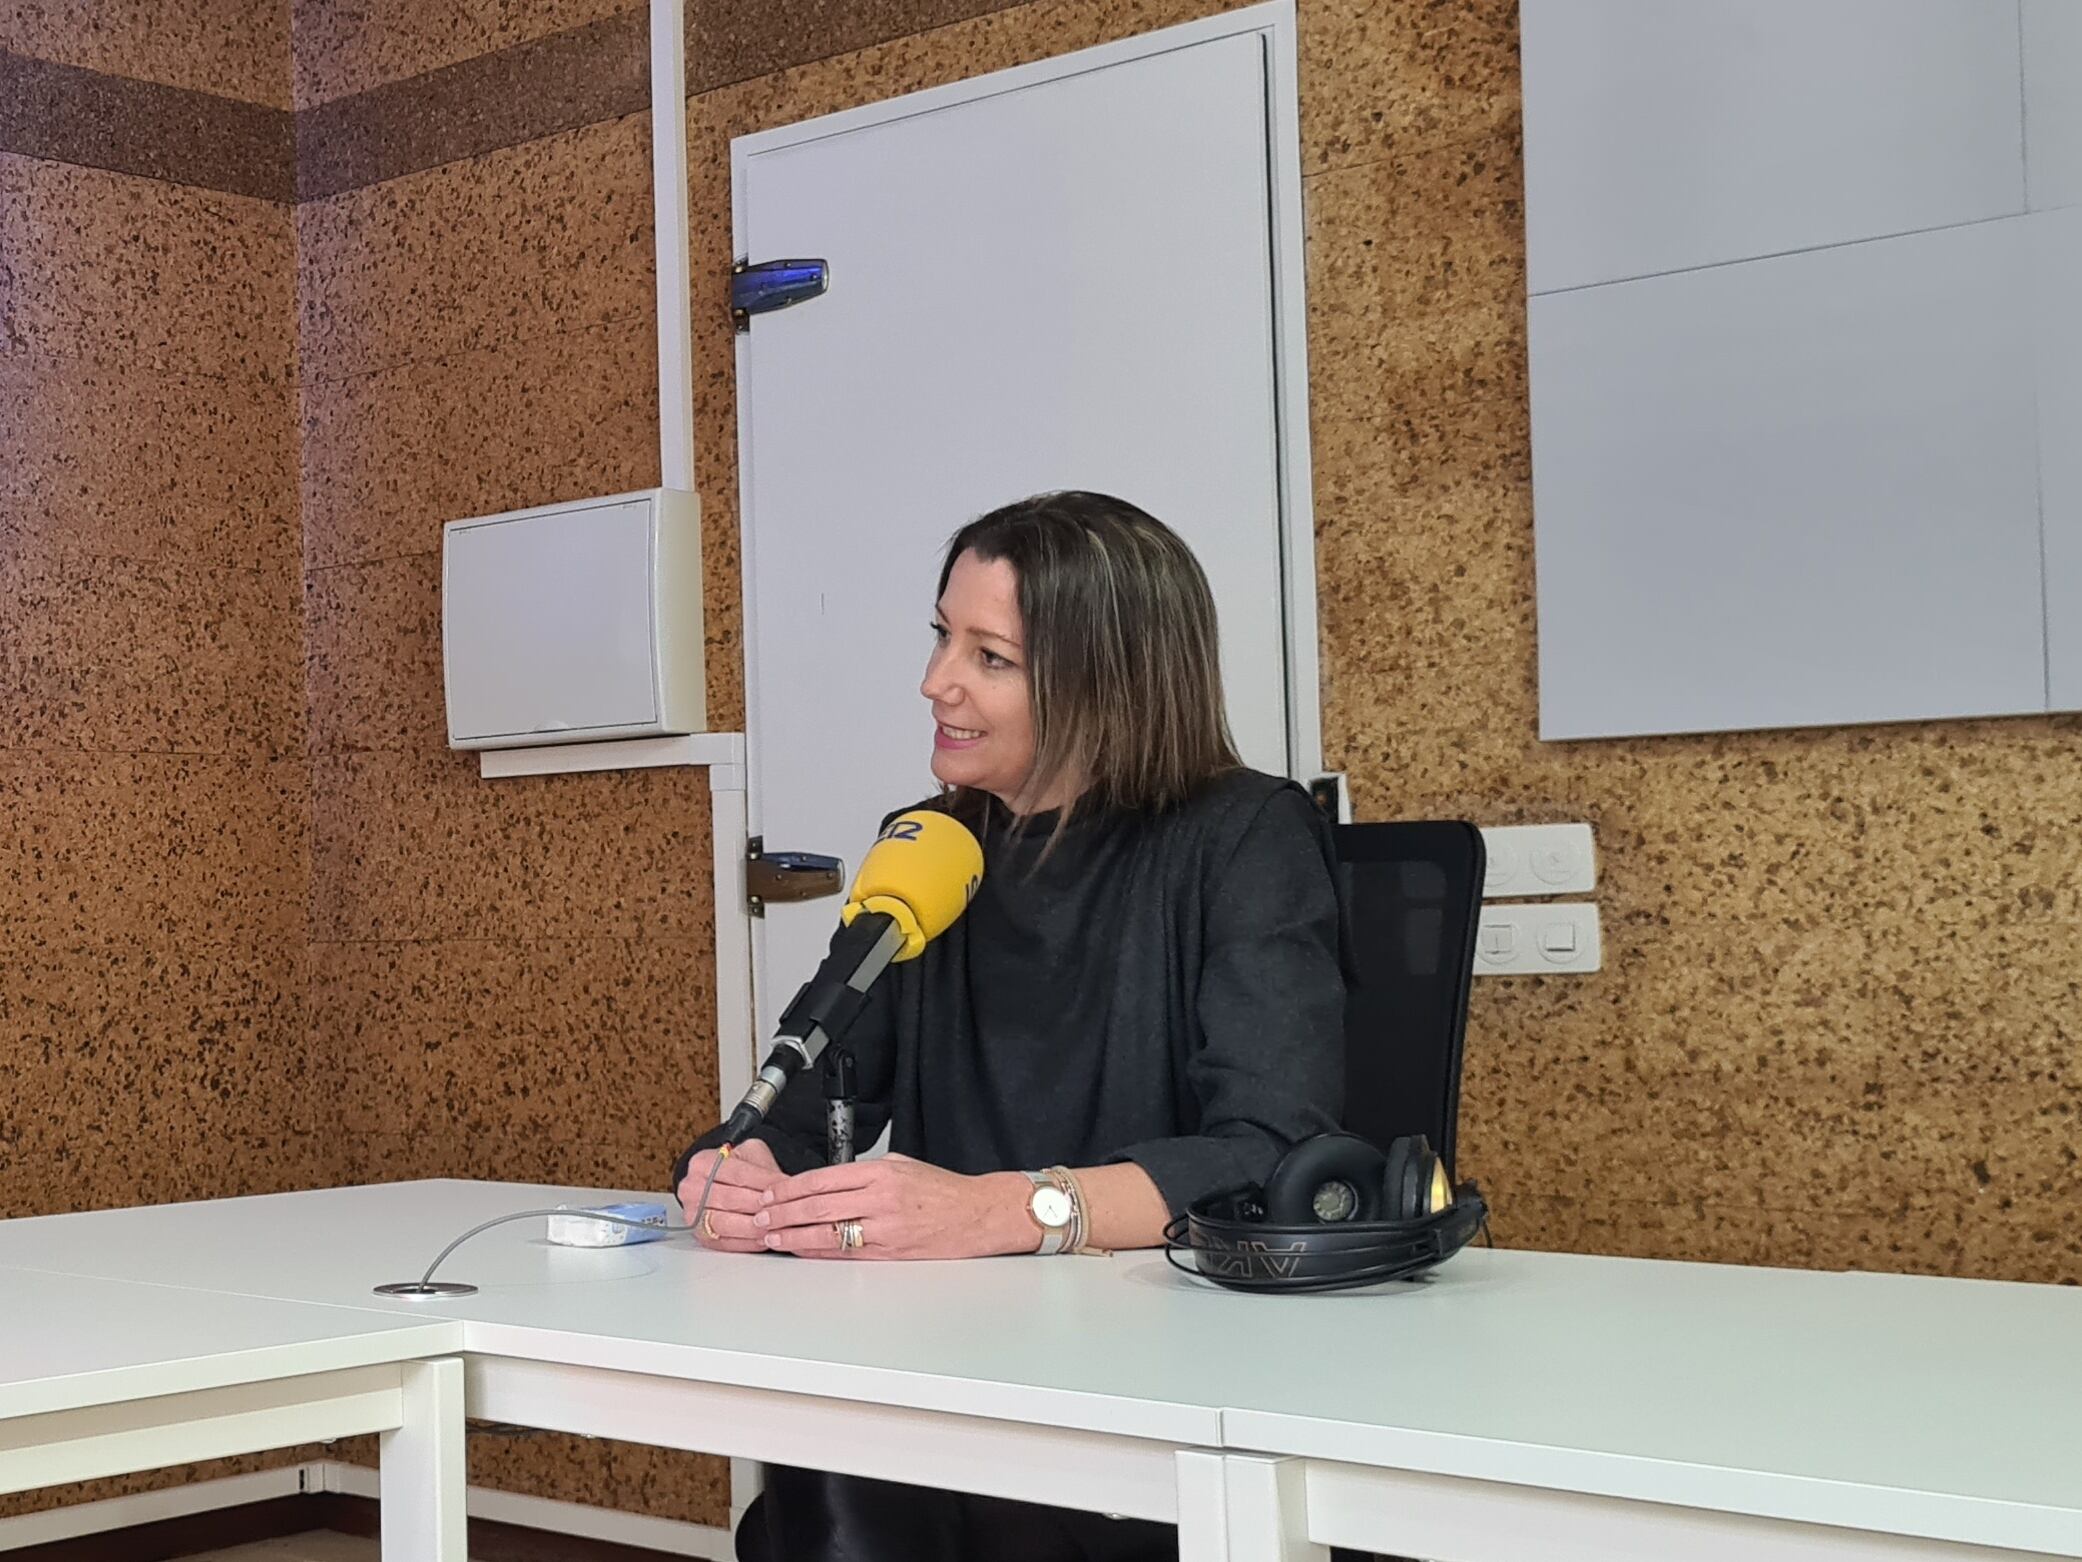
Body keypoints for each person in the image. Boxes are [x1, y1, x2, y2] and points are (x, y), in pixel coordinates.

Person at [670, 490, 1348, 1562]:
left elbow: (1268, 1153)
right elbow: (805, 1099)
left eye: (990, 655)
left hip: (1170, 1368)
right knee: (824, 1481)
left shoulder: (1246, 837)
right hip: (952, 1356)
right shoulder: (934, 848)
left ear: (1104, 681)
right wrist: (740, 1165)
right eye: (944, 635)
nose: (936, 679)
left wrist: (1004, 1209)